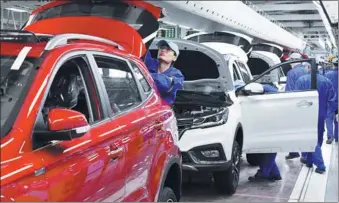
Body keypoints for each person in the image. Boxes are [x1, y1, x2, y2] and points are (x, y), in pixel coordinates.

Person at [294, 62, 337, 174]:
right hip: (321, 114)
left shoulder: (301, 80)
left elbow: (294, 98)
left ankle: (320, 164)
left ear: (308, 68)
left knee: (309, 138)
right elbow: (332, 100)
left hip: (305, 114)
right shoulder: (326, 81)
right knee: (317, 136)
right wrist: (327, 113)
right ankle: (308, 159)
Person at [249, 84, 282, 182]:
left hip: (271, 122)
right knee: (264, 149)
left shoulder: (267, 92)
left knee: (268, 149)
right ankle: (274, 173)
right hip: (269, 121)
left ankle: (264, 174)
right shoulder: (264, 92)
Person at [143, 40, 184, 105]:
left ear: (174, 57)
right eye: (162, 48)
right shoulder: (150, 63)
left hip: (161, 110)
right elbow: (142, 51)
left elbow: (165, 84)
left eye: (168, 49)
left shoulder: (177, 75)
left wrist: (142, 75)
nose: (163, 50)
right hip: (144, 106)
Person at [285, 53, 308, 160]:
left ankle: (294, 152)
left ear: (293, 61)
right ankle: (305, 155)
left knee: (292, 129)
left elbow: (289, 91)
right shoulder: (307, 70)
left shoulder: (291, 73)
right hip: (308, 103)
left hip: (295, 104)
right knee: (305, 130)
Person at [325, 57, 338, 143]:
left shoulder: (328, 74)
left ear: (333, 65)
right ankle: (337, 137)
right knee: (338, 119)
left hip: (330, 100)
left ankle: (330, 137)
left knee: (329, 118)